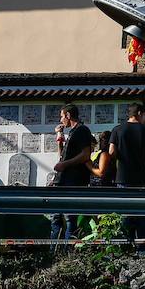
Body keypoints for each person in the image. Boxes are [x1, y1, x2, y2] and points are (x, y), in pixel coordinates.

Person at [109, 103, 145, 243]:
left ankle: (125, 245)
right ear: (140, 113)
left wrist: (121, 157)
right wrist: (143, 158)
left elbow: (111, 151)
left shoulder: (117, 129)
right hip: (141, 177)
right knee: (141, 213)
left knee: (124, 213)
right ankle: (142, 246)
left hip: (123, 177)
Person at [51, 104, 94, 244]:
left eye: (62, 116)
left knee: (70, 218)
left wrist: (65, 165)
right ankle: (56, 248)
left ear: (68, 115)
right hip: (63, 179)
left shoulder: (81, 130)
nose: (61, 120)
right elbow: (63, 155)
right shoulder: (72, 132)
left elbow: (85, 154)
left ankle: (68, 249)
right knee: (56, 217)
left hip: (72, 180)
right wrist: (59, 136)